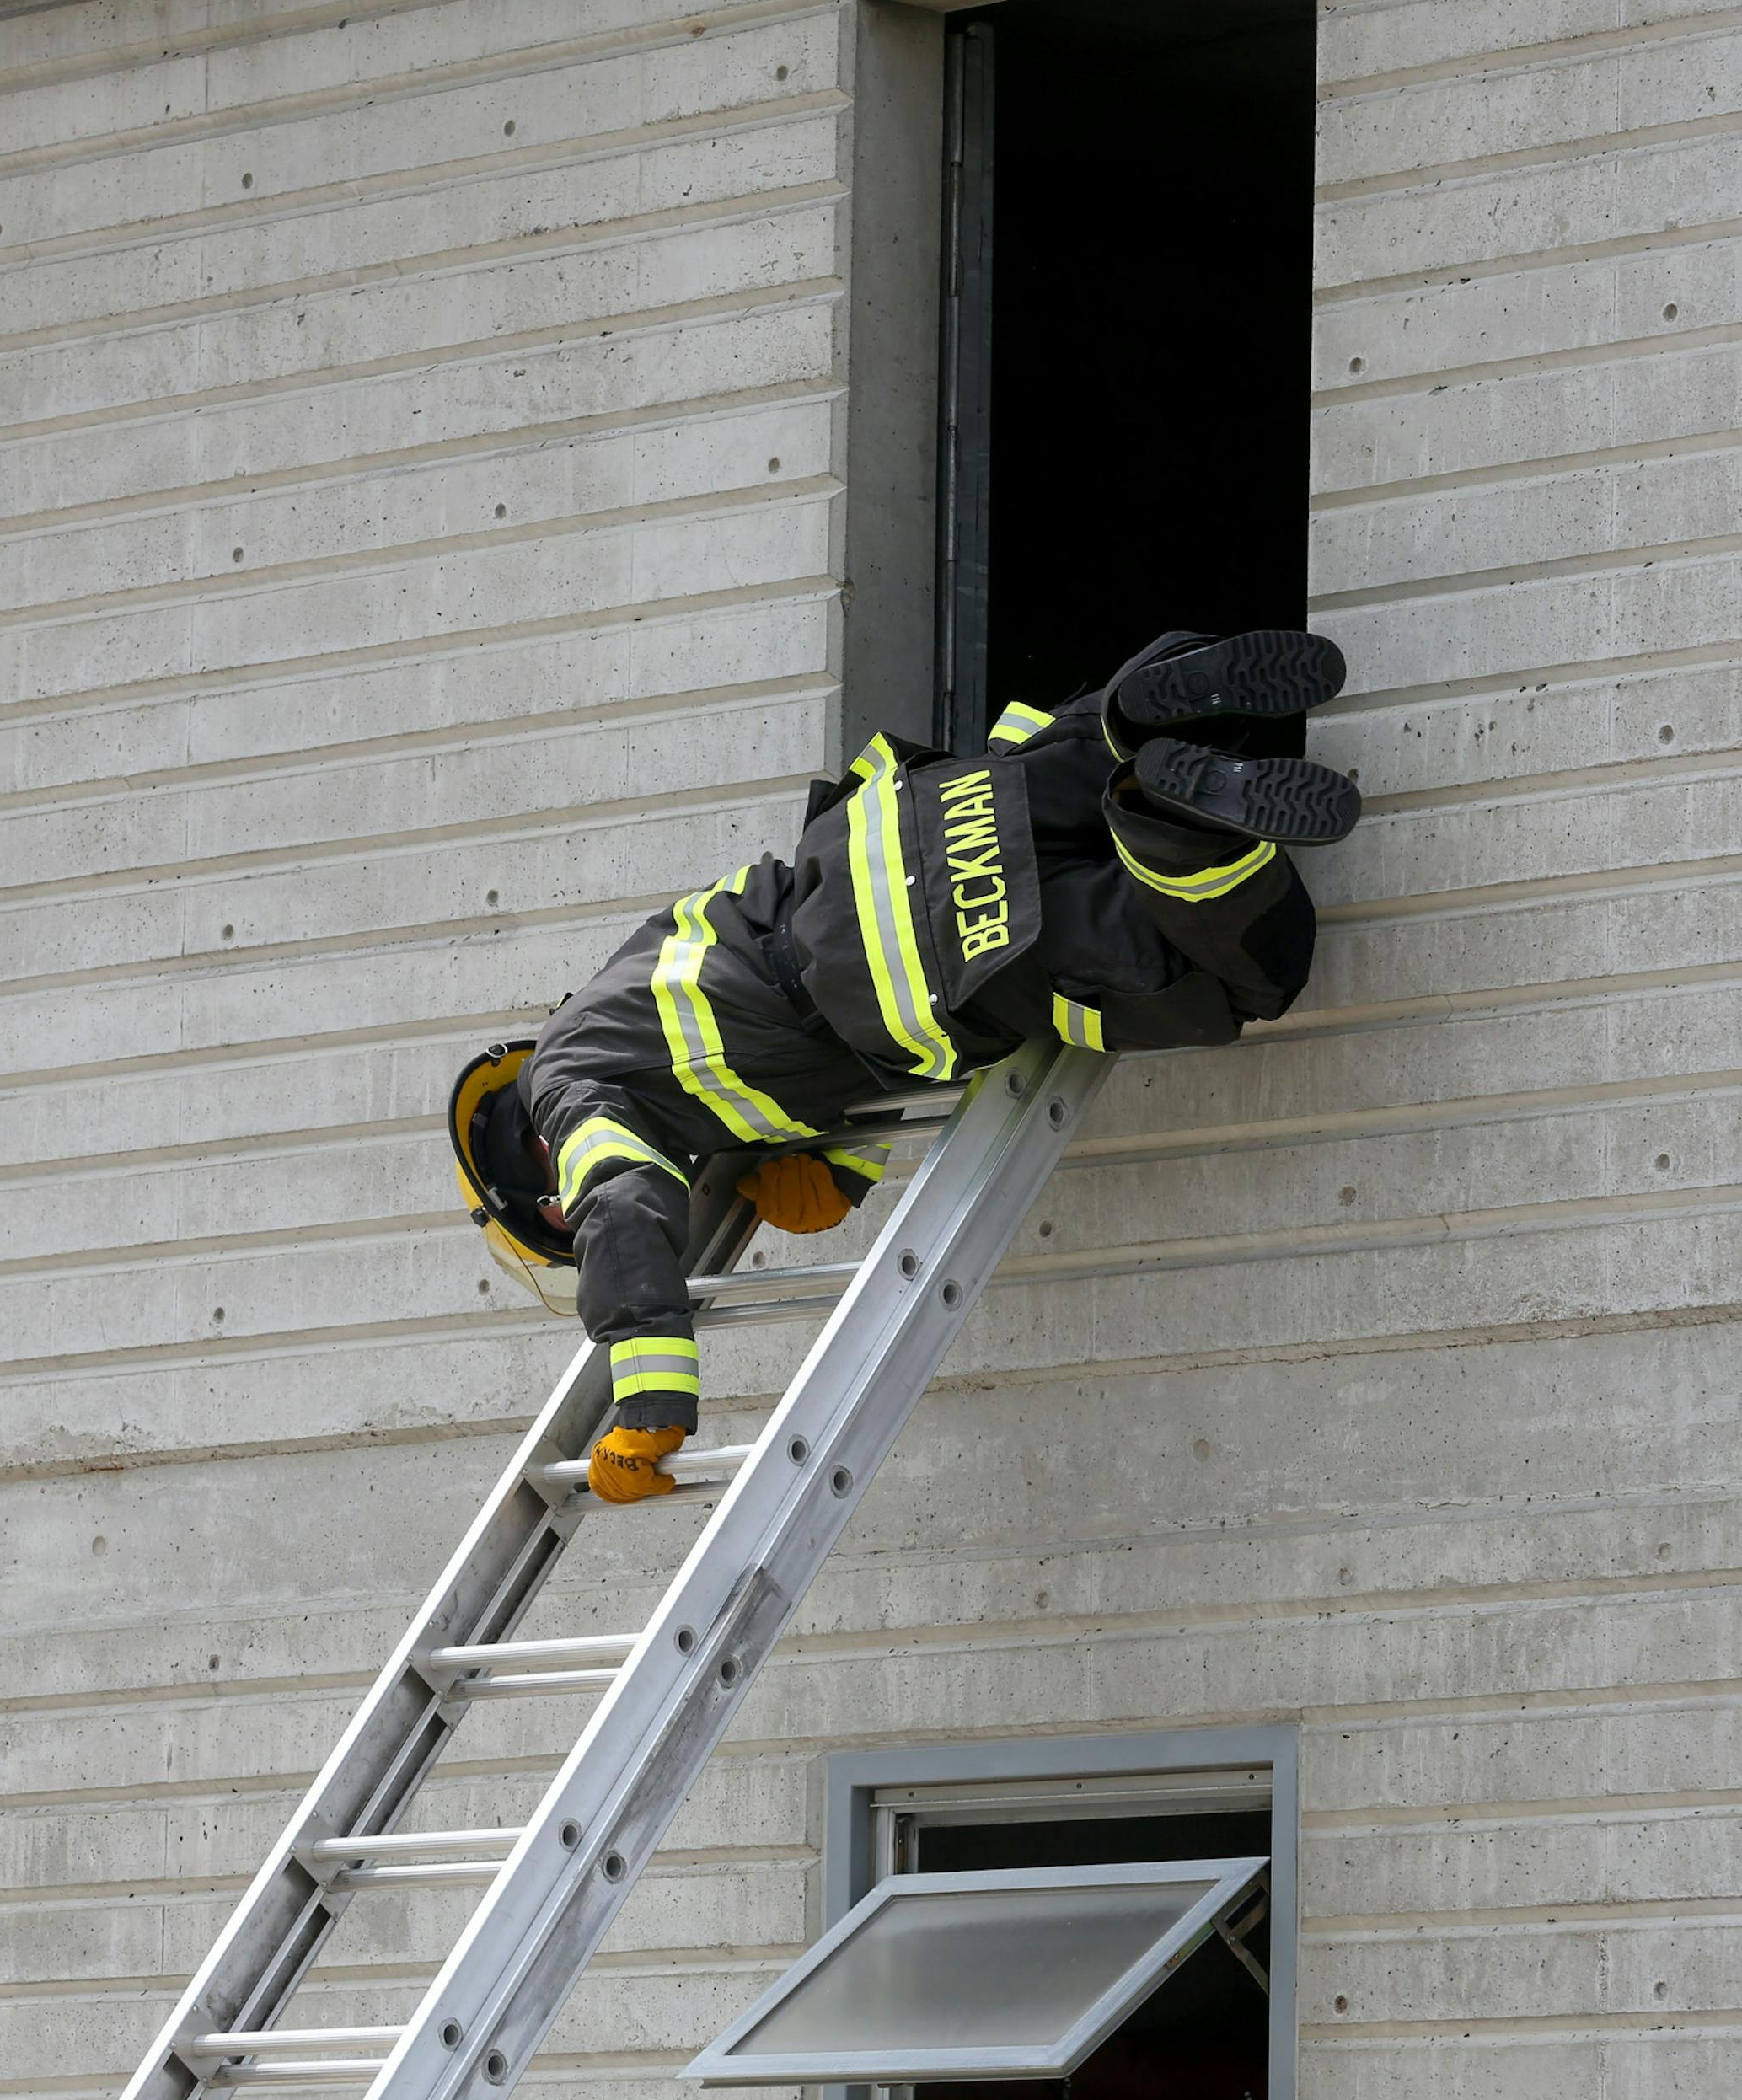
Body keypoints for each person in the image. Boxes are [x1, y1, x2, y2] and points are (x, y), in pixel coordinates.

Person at [448, 629, 1358, 1503]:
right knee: (1072, 758)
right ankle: (1150, 708)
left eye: (561, 1213)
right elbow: (780, 1035)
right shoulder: (621, 990)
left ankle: (1175, 824)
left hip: (928, 960)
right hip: (898, 829)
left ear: (536, 1174)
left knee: (1227, 982)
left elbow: (623, 1200)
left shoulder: (572, 1100)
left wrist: (647, 1409)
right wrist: (837, 1166)